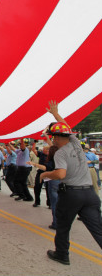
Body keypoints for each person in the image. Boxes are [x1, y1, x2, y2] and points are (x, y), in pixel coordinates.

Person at [40, 101, 102, 265]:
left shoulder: (61, 153)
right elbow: (66, 126)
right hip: (90, 194)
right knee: (98, 230)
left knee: (63, 226)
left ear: (56, 137)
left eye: (53, 137)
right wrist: (56, 114)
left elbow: (61, 174)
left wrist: (46, 174)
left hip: (72, 194)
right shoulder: (76, 144)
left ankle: (62, 254)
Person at [31, 143, 49, 207]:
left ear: (47, 150)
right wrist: (34, 142)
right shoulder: (41, 154)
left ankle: (49, 203)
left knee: (48, 188)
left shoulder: (51, 156)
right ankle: (37, 201)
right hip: (40, 172)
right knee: (37, 187)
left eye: (44, 149)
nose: (43, 150)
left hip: (48, 173)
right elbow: (33, 150)